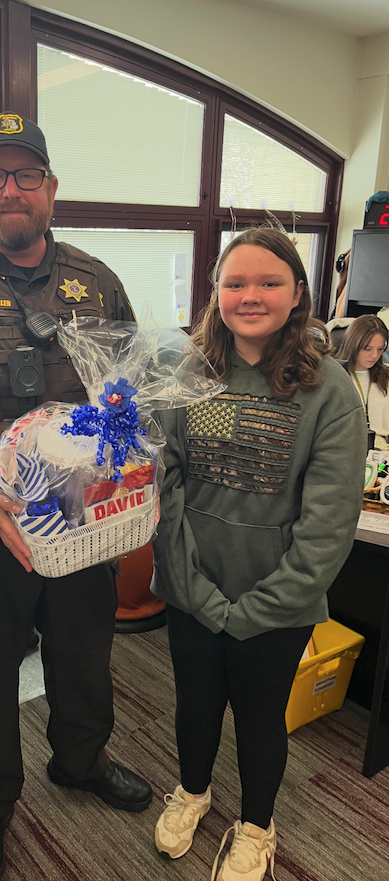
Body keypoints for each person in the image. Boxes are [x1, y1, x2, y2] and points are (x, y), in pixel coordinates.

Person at [0, 112, 152, 881]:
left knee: (84, 653)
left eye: (27, 175)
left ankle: (80, 759)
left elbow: (130, 386)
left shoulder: (95, 279)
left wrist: (123, 451)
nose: (12, 190)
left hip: (79, 518)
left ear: (50, 189)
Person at [151, 228, 366, 881]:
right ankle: (191, 792)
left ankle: (255, 826)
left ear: (296, 292)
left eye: (268, 282)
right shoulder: (187, 374)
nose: (249, 295)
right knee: (192, 703)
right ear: (214, 291)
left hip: (276, 604)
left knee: (258, 718)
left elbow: (328, 522)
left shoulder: (327, 390)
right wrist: (197, 591)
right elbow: (164, 483)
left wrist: (254, 609)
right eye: (233, 282)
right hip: (191, 588)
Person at [337, 313, 389, 447]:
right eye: (367, 349)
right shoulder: (336, 375)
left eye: (380, 349)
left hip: (382, 453)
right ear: (353, 345)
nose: (374, 355)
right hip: (346, 449)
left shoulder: (386, 375)